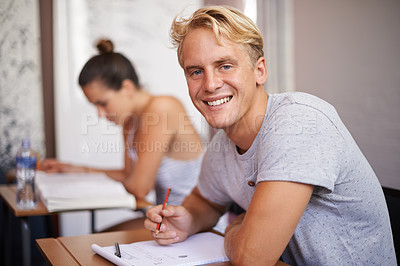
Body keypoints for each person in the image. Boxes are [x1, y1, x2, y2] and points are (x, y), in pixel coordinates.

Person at [144, 6, 397, 265]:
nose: (210, 84)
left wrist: (232, 230)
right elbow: (205, 200)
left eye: (225, 66)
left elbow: (251, 258)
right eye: (196, 71)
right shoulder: (223, 145)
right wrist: (188, 219)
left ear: (259, 71)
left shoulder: (298, 122)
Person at [42, 39, 204, 228]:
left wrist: (89, 187)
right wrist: (74, 169)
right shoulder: (129, 122)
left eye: (102, 103)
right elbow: (128, 174)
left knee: (95, 243)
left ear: (126, 88)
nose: (100, 114)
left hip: (196, 224)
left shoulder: (162, 108)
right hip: (165, 219)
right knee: (94, 242)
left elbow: (140, 188)